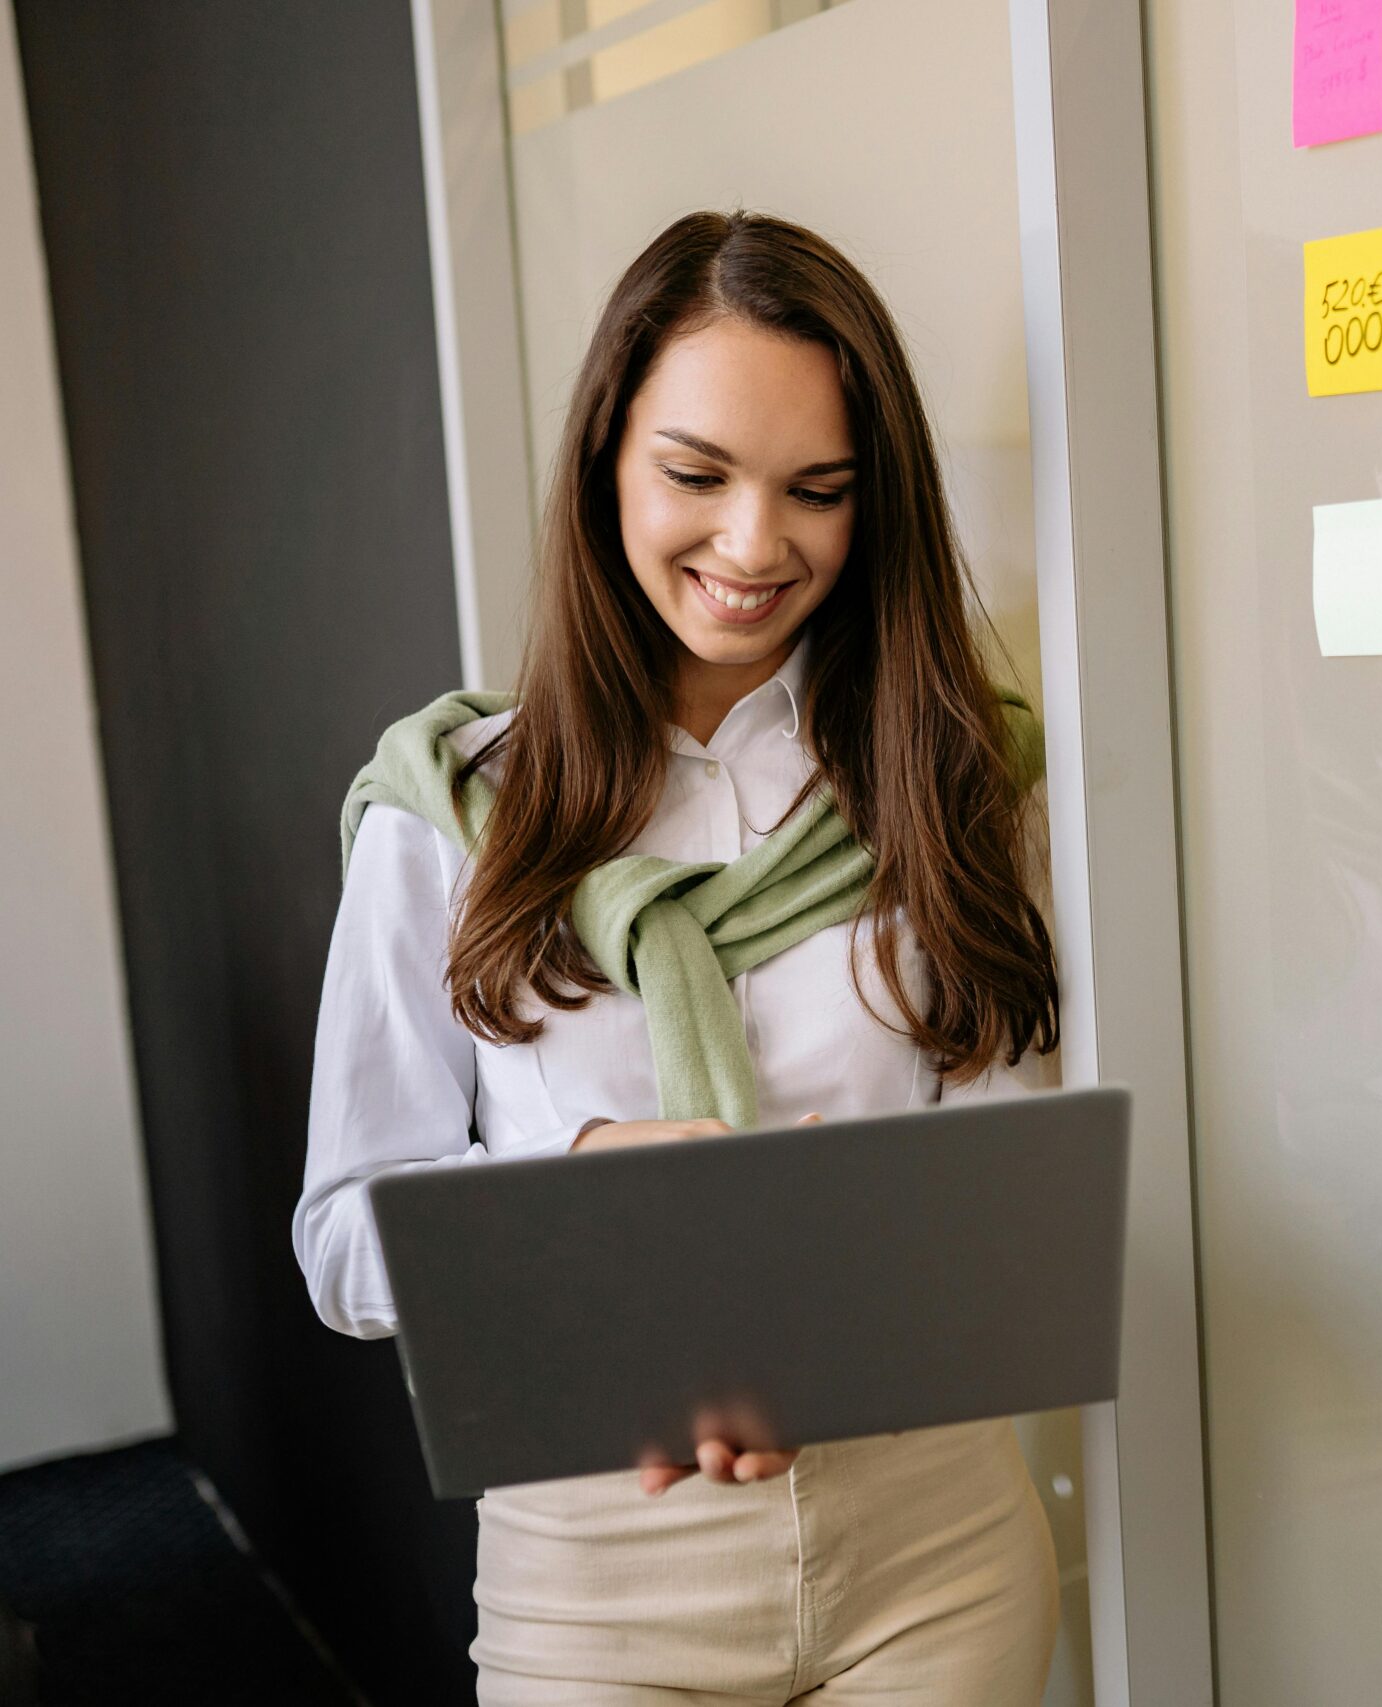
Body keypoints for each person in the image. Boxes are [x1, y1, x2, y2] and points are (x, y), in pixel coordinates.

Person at [293, 210, 1062, 1704]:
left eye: (818, 491)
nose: (755, 545)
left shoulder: (962, 781)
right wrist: (567, 1206)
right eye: (697, 476)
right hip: (596, 1573)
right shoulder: (457, 814)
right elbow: (341, 1240)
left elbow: (1014, 1163)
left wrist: (857, 1290)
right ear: (604, 463)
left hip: (936, 1544)